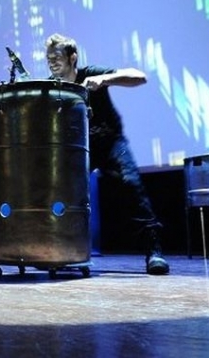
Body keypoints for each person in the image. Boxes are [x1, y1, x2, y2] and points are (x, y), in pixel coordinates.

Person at [45, 33, 170, 275]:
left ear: (72, 57)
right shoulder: (52, 86)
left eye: (56, 57)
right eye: (48, 58)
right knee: (59, 192)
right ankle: (63, 251)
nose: (51, 62)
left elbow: (139, 77)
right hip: (78, 148)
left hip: (110, 142)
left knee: (131, 184)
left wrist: (104, 79)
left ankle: (154, 251)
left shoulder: (91, 74)